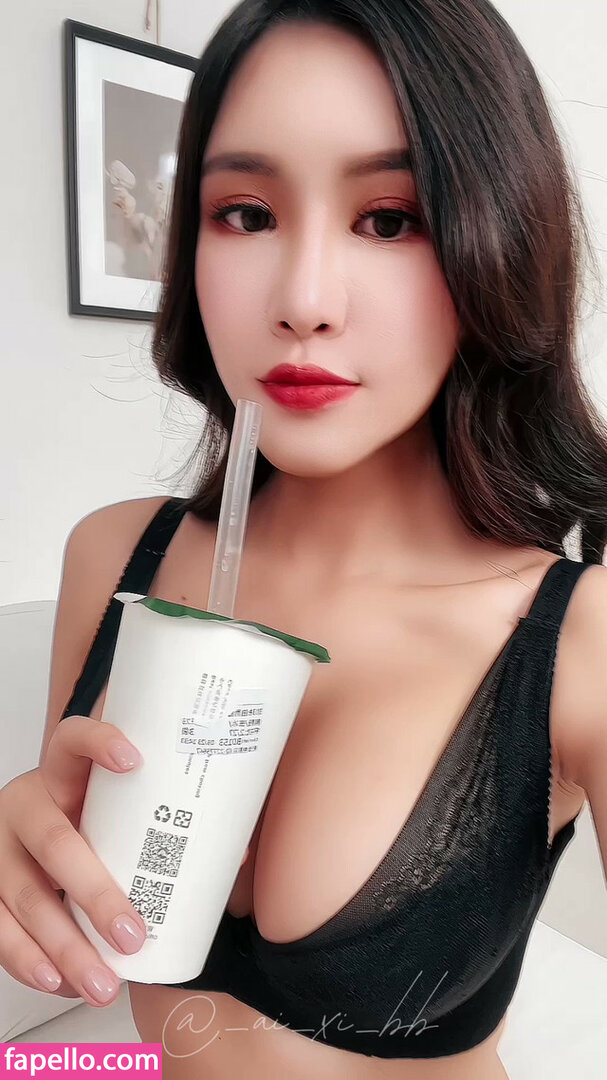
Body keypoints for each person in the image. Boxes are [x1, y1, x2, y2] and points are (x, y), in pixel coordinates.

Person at [1, 1, 607, 1076]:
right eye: (244, 213)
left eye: (390, 219)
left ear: (498, 239)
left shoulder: (577, 643)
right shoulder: (114, 560)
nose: (303, 301)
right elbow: (104, 975)